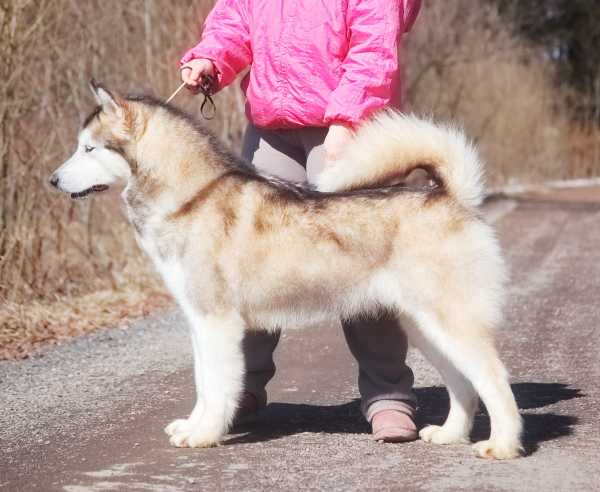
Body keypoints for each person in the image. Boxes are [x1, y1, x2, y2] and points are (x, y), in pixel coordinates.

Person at [179, 0, 422, 443]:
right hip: (271, 128)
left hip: (347, 126)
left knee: (360, 259)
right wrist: (211, 58)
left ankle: (389, 394)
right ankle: (239, 390)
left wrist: (349, 119)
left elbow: (375, 44)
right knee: (248, 260)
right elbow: (235, 19)